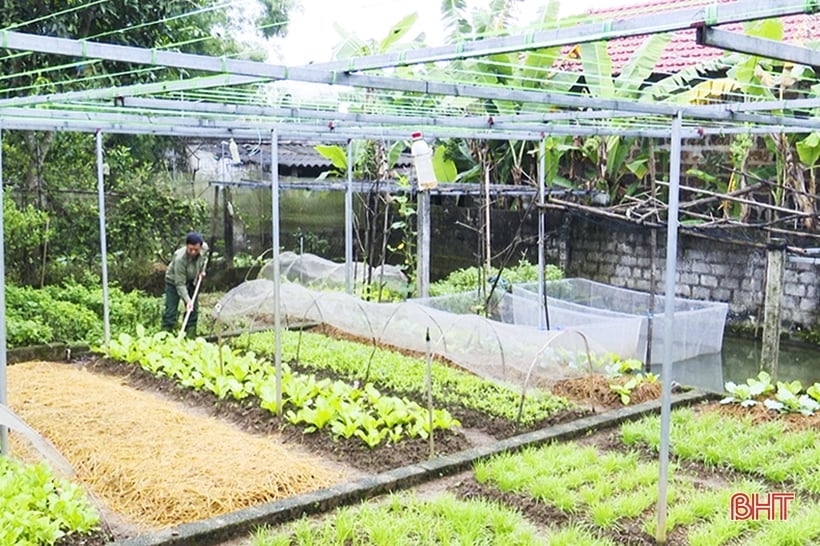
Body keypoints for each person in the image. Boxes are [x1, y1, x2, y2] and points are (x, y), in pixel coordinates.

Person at [162, 232, 208, 337]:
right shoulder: (180, 259)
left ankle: (190, 337)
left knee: (193, 310)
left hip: (192, 280)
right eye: (190, 249)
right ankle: (164, 337)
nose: (193, 252)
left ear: (200, 247)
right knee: (170, 311)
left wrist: (202, 271)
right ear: (186, 246)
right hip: (174, 282)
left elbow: (204, 260)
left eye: (196, 250)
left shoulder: (204, 248)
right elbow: (180, 284)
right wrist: (188, 301)